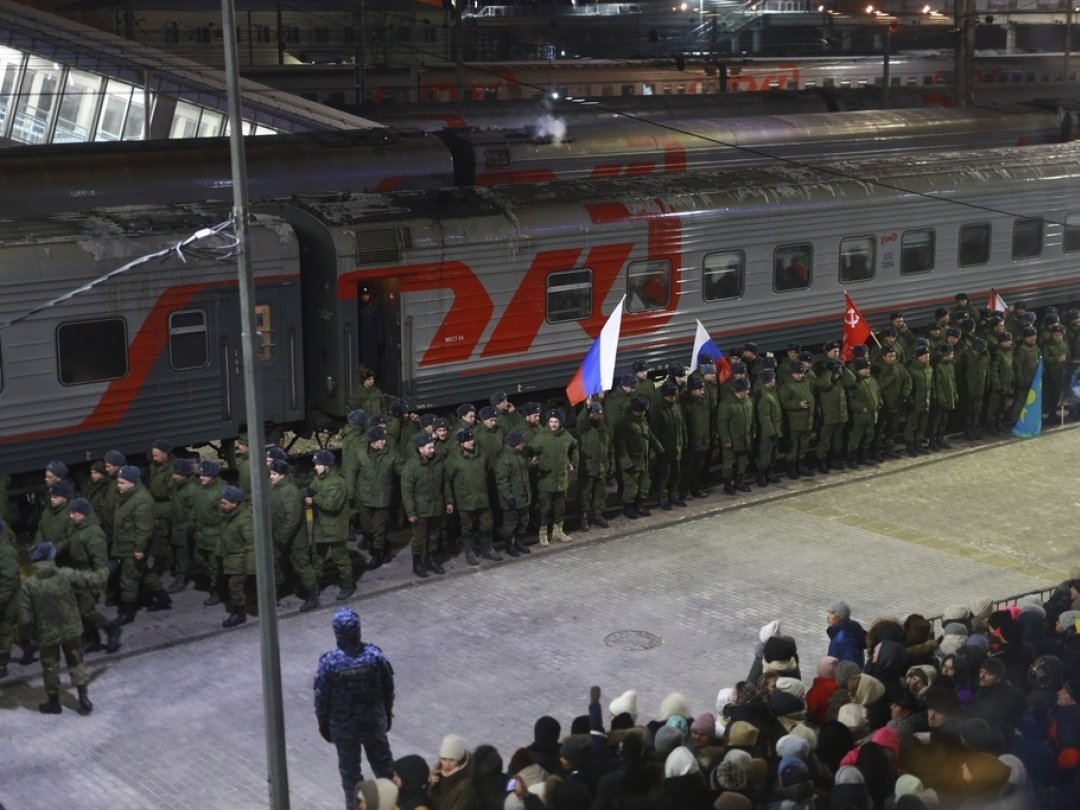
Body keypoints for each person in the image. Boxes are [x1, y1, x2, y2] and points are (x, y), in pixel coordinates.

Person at [314, 608, 395, 810]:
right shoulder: (374, 656)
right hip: (373, 724)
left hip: (344, 729)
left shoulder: (329, 663)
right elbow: (388, 688)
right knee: (385, 771)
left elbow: (321, 699)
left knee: (351, 778)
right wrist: (386, 715)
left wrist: (324, 725)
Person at [17, 542, 108, 715]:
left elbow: (24, 617)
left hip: (47, 632)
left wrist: (25, 637)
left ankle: (54, 703)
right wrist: (107, 569)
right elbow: (91, 579)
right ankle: (83, 699)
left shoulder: (29, 584)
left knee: (50, 666)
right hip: (71, 628)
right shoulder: (65, 574)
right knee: (76, 661)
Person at [112, 465, 171, 624]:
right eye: (118, 482)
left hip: (134, 547)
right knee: (145, 574)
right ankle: (163, 598)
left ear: (133, 483)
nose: (119, 486)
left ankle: (128, 613)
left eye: (122, 483)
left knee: (128, 580)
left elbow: (145, 529)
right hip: (127, 544)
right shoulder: (127, 496)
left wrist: (139, 549)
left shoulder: (141, 501)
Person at [65, 498, 121, 655]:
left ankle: (111, 629)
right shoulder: (78, 528)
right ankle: (92, 640)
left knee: (87, 611)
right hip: (79, 575)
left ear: (84, 513)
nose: (71, 516)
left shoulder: (94, 533)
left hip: (89, 576)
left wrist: (97, 584)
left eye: (74, 513)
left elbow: (100, 562)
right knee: (81, 612)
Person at [268, 459, 320, 612]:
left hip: (295, 539)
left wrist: (281, 538)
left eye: (274, 474)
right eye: (271, 473)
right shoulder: (274, 488)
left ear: (282, 475)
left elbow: (293, 519)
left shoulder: (290, 491)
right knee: (276, 564)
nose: (271, 476)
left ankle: (313, 595)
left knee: (302, 565)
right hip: (279, 536)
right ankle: (278, 590)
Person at [401, 433, 452, 578]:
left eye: (433, 447)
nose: (433, 450)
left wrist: (449, 501)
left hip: (436, 508)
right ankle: (417, 564)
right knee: (419, 538)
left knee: (434, 536)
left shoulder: (438, 463)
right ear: (420, 449)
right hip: (420, 510)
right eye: (429, 448)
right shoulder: (411, 467)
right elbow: (407, 492)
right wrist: (411, 512)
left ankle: (431, 560)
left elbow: (445, 483)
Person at [308, 449, 355, 601]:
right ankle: (313, 586)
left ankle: (348, 585)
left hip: (335, 527)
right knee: (317, 558)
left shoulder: (337, 482)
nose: (316, 467)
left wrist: (314, 500)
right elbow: (312, 490)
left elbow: (331, 505)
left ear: (327, 466)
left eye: (318, 464)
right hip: (321, 527)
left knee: (340, 559)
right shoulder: (318, 479)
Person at [527, 409, 578, 547]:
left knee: (560, 507)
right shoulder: (541, 438)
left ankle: (558, 532)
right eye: (551, 421)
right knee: (545, 509)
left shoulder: (566, 436)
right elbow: (529, 451)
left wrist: (572, 463)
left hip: (561, 480)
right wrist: (533, 463)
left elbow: (575, 447)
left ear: (560, 423)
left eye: (556, 422)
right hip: (546, 480)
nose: (553, 424)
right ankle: (543, 534)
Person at [218, 485, 254, 628]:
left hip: (240, 559)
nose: (222, 505)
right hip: (230, 557)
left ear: (235, 503)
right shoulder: (228, 515)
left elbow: (252, 543)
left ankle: (239, 613)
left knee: (235, 586)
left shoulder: (244, 519)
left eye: (225, 503)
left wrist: (250, 567)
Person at [493, 431, 532, 558]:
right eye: (521, 442)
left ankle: (519, 543)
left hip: (522, 496)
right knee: (510, 524)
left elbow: (522, 473)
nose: (523, 444)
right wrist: (508, 497)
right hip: (512, 498)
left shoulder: (519, 455)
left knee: (523, 521)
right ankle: (510, 546)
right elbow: (502, 481)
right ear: (515, 443)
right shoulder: (504, 459)